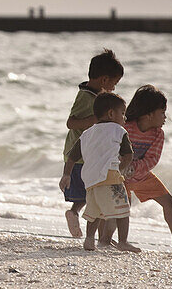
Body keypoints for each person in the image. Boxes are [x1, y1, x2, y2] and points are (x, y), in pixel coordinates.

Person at [122, 84, 172, 254]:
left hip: (141, 175)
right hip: (120, 176)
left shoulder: (158, 133)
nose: (165, 117)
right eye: (162, 112)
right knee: (120, 206)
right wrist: (123, 167)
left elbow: (152, 159)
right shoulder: (125, 127)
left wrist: (134, 168)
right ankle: (112, 239)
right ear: (149, 114)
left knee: (169, 202)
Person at [60, 92, 140, 252]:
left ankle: (89, 240)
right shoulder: (118, 130)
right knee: (123, 209)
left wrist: (66, 175)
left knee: (94, 211)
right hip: (110, 177)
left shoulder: (87, 133)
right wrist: (122, 169)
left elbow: (72, 156)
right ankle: (123, 241)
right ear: (111, 113)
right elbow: (128, 154)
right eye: (122, 113)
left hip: (90, 180)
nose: (124, 118)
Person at [62, 49, 124, 237]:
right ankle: (76, 215)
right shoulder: (85, 96)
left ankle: (86, 223)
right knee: (90, 193)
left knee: (93, 193)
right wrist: (95, 120)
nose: (113, 88)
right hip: (80, 156)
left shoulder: (97, 97)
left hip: (90, 155)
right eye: (114, 83)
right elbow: (71, 123)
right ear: (104, 80)